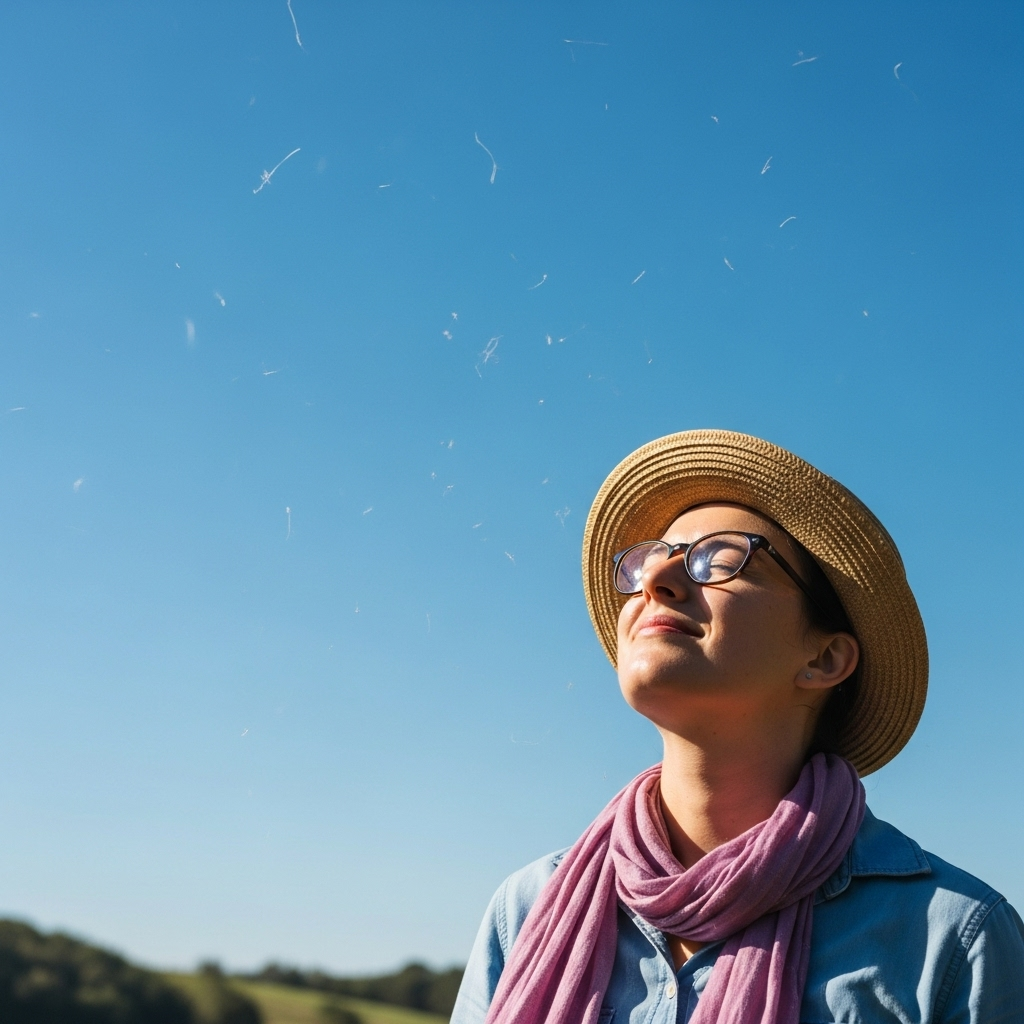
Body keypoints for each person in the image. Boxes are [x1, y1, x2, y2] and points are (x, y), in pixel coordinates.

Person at [451, 430, 1024, 1024]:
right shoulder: (525, 909)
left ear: (823, 659)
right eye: (651, 558)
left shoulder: (953, 940)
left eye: (720, 557)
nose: (657, 579)